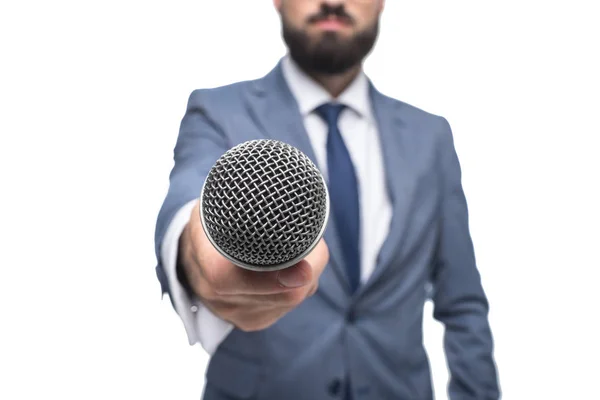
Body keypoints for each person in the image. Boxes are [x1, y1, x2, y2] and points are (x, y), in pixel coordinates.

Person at [155, 0, 500, 399]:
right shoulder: (218, 111)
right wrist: (194, 255)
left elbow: (462, 304)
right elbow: (187, 196)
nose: (333, 1)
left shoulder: (432, 137)